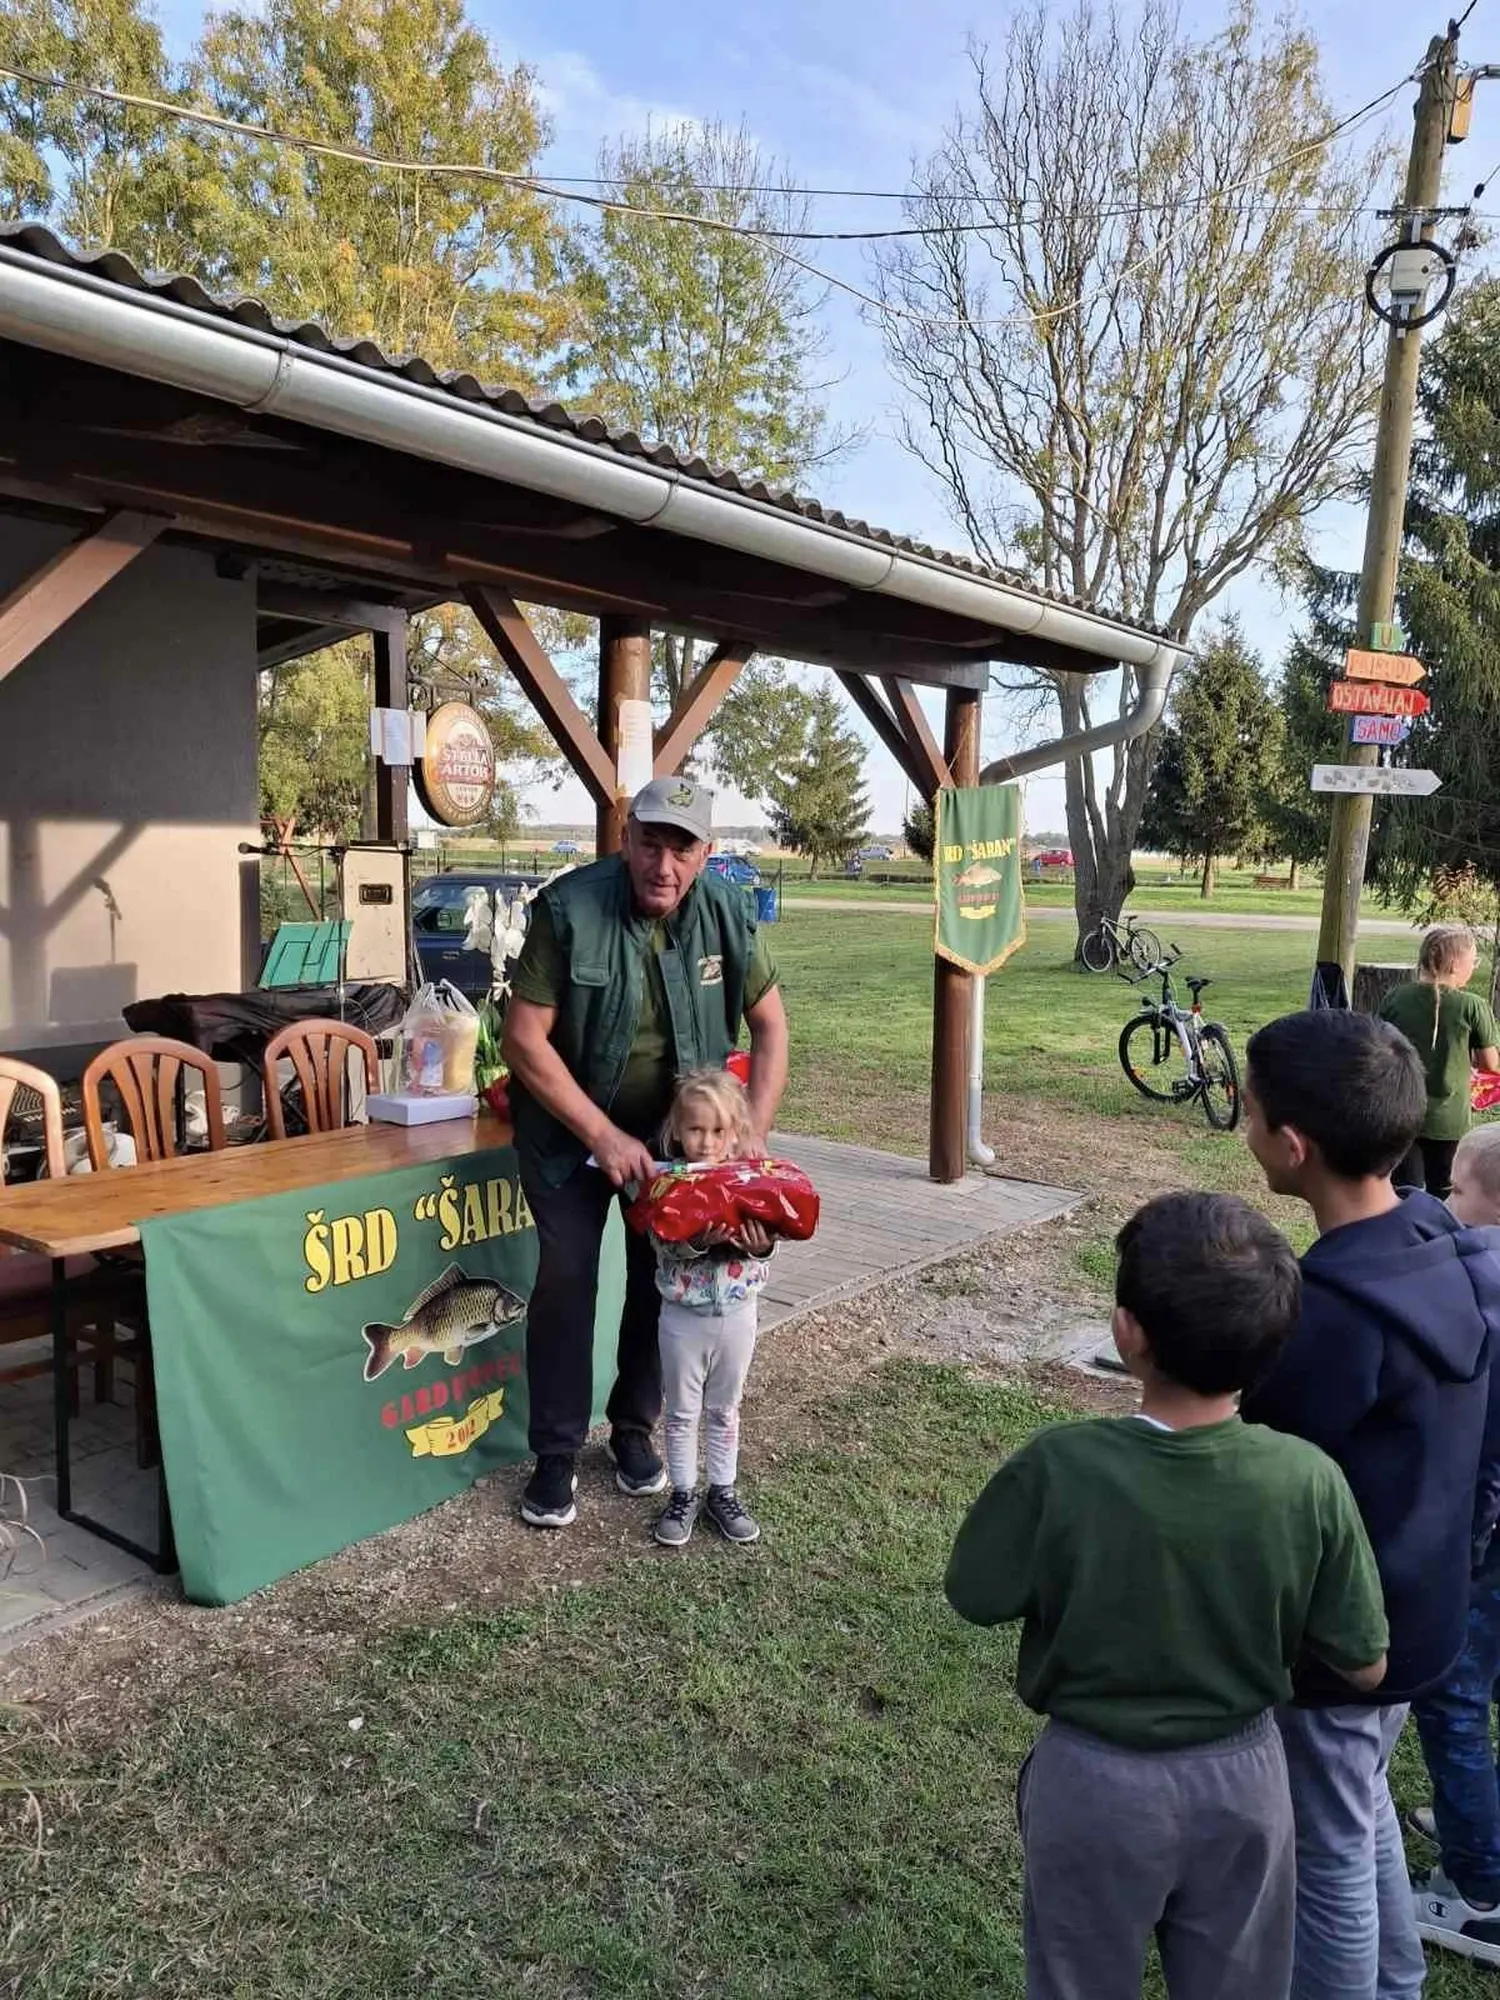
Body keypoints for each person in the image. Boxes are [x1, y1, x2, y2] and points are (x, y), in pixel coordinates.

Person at [946, 1190, 1389, 2000]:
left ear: (1128, 1333)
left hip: (1092, 1780)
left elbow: (975, 1592)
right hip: (1247, 1781)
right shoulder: (1309, 1482)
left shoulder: (1061, 1465)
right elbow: (1365, 1665)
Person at [1241, 1009, 1500, 2000]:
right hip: (1427, 1607)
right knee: (1359, 1802)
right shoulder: (1434, 1231)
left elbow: (1270, 1482)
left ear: (1292, 1145)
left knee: (1329, 1841)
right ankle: (1396, 1977)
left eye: (1251, 1111)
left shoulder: (1328, 1319)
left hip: (1351, 1639)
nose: (1246, 1126)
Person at [502, 778, 789, 1530]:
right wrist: (601, 1134)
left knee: (660, 1277)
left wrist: (749, 1137)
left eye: (682, 848)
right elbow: (523, 1039)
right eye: (651, 843)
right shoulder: (569, 909)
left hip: (675, 1141)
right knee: (567, 1278)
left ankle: (632, 1431)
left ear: (705, 853)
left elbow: (772, 1028)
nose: (664, 864)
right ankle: (557, 1453)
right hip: (570, 1132)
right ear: (626, 839)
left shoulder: (726, 910)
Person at [1409, 1120, 1500, 1966]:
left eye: (1456, 1191)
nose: (1444, 1203)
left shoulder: (1483, 1287)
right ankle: (1485, 1821)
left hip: (1488, 1539)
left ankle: (1477, 1892)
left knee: (1455, 1700)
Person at [640, 1067, 774, 1550]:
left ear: (735, 1132)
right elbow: (659, 1238)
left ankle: (723, 1490)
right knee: (681, 1412)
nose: (707, 1141)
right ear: (677, 1130)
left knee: (725, 1409)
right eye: (696, 1129)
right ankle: (682, 1493)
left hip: (739, 1311)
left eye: (718, 1131)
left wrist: (759, 1246)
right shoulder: (666, 1183)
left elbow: (771, 1232)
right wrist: (695, 1241)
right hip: (683, 1317)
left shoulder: (751, 1179)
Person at [1379, 925, 1500, 1200]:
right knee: (1445, 1192)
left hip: (1401, 1111)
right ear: (1456, 965)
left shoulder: (1395, 998)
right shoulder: (1471, 1005)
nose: (1474, 967)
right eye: (1473, 961)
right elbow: (1491, 1064)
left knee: (1404, 1193)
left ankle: (1407, 1240)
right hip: (1449, 1120)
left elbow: (1380, 1047)